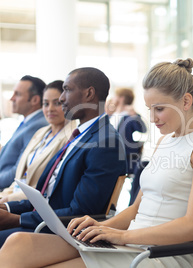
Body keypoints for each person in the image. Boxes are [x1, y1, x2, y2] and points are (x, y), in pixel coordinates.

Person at [0, 58, 193, 267]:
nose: (152, 118)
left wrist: (122, 235)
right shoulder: (166, 139)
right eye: (150, 109)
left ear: (186, 101)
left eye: (159, 109)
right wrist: (101, 227)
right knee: (18, 243)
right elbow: (136, 209)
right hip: (131, 243)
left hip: (160, 253)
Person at [0, 67, 126, 246]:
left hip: (62, 233)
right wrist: (8, 208)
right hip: (46, 222)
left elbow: (81, 211)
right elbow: (47, 196)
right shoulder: (81, 134)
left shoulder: (105, 142)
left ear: (89, 94)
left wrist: (15, 219)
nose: (61, 98)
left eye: (67, 90)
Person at [0, 80, 76, 203]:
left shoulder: (71, 137)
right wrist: (5, 196)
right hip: (15, 197)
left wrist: (8, 199)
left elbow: (49, 185)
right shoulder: (41, 133)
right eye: (46, 104)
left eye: (57, 103)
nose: (50, 109)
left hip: (34, 203)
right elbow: (21, 176)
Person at [0, 76, 48, 189]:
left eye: (17, 94)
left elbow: (18, 171)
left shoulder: (37, 126)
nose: (12, 98)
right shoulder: (28, 121)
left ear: (35, 100)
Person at [109, 87, 147, 175]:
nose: (113, 99)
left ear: (121, 98)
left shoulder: (130, 117)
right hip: (110, 155)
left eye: (115, 96)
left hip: (124, 159)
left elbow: (143, 130)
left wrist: (135, 115)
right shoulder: (112, 115)